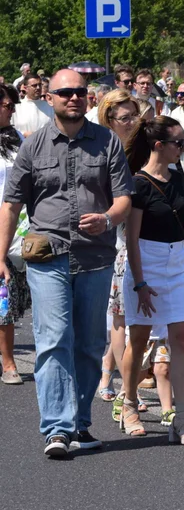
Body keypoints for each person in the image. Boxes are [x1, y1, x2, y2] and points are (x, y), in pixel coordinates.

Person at [0, 69, 132, 457]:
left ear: (88, 98)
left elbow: (124, 198)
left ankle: (79, 423)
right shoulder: (33, 145)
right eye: (65, 93)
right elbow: (12, 204)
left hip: (95, 256)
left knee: (91, 344)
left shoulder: (108, 142)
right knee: (54, 339)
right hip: (48, 254)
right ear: (51, 97)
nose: (73, 98)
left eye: (79, 92)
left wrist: (107, 218)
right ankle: (57, 429)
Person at [116, 116, 184, 445]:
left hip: (177, 261)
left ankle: (182, 417)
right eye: (178, 143)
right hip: (145, 262)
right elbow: (132, 239)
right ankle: (129, 404)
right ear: (159, 146)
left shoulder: (179, 176)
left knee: (181, 339)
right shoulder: (137, 183)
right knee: (138, 338)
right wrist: (139, 283)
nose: (183, 148)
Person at [93, 91, 144, 407]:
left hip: (143, 238)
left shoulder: (141, 148)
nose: (133, 123)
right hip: (115, 240)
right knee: (121, 318)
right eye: (126, 118)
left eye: (135, 115)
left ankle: (112, 377)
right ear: (109, 120)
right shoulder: (102, 151)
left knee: (135, 319)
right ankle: (121, 387)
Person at [0, 101, 28, 385]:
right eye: (5, 104)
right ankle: (7, 361)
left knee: (6, 296)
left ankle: (7, 359)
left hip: (14, 227)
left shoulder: (16, 139)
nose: (11, 109)